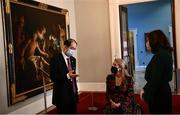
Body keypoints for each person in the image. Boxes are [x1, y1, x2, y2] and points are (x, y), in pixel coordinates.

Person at [140, 29, 173, 114]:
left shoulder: (160, 55)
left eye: (148, 40)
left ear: (154, 41)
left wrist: (145, 95)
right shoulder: (164, 54)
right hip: (162, 92)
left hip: (159, 95)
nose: (146, 43)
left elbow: (156, 80)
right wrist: (144, 88)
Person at [50, 39, 79, 114]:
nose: (73, 51)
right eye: (72, 48)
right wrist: (67, 76)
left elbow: (72, 77)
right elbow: (53, 77)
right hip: (62, 95)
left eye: (74, 49)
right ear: (65, 47)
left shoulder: (73, 59)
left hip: (73, 93)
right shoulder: (55, 59)